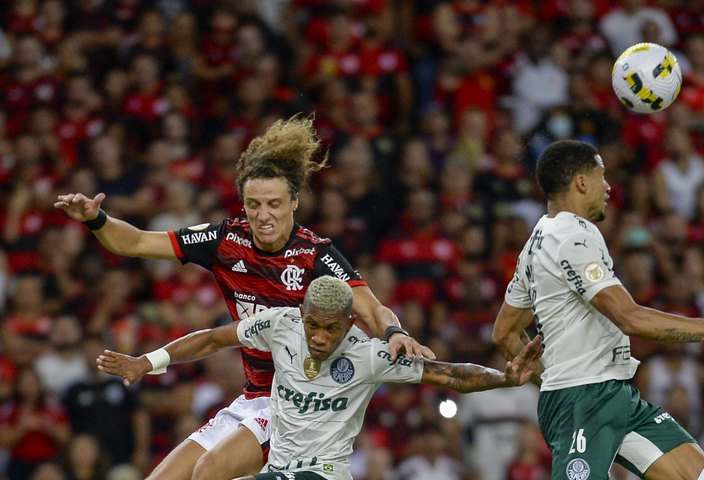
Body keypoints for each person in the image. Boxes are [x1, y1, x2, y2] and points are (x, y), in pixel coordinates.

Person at [54, 115, 433, 480]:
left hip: (295, 402)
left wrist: (393, 333)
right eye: (254, 204)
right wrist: (96, 220)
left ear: (294, 202)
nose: (263, 215)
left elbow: (371, 307)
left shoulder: (316, 254)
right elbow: (134, 241)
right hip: (251, 399)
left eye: (274, 204)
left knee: (208, 474)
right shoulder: (224, 240)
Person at [491, 139, 704, 480]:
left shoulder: (535, 243)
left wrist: (547, 377)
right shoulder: (572, 238)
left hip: (613, 394)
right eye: (601, 175)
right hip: (581, 403)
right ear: (581, 182)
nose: (608, 186)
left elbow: (504, 334)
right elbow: (629, 318)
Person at [96, 275, 543, 480]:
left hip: (321, 474)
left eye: (332, 328)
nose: (320, 337)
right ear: (302, 315)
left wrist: (504, 380)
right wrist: (147, 361)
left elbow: (449, 376)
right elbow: (213, 339)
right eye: (314, 325)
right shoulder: (280, 325)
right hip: (278, 468)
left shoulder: (370, 356)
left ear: (351, 322)